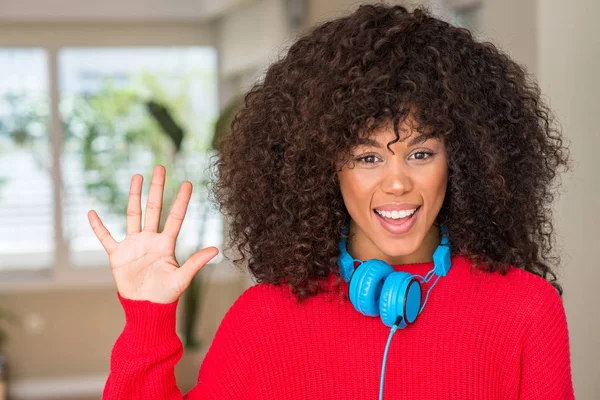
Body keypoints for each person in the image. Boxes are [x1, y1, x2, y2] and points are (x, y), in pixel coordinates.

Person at [88, 4, 574, 399]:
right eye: (367, 157)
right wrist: (147, 317)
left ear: (463, 158)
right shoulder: (266, 319)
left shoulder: (526, 311)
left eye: (420, 152)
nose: (397, 182)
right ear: (323, 168)